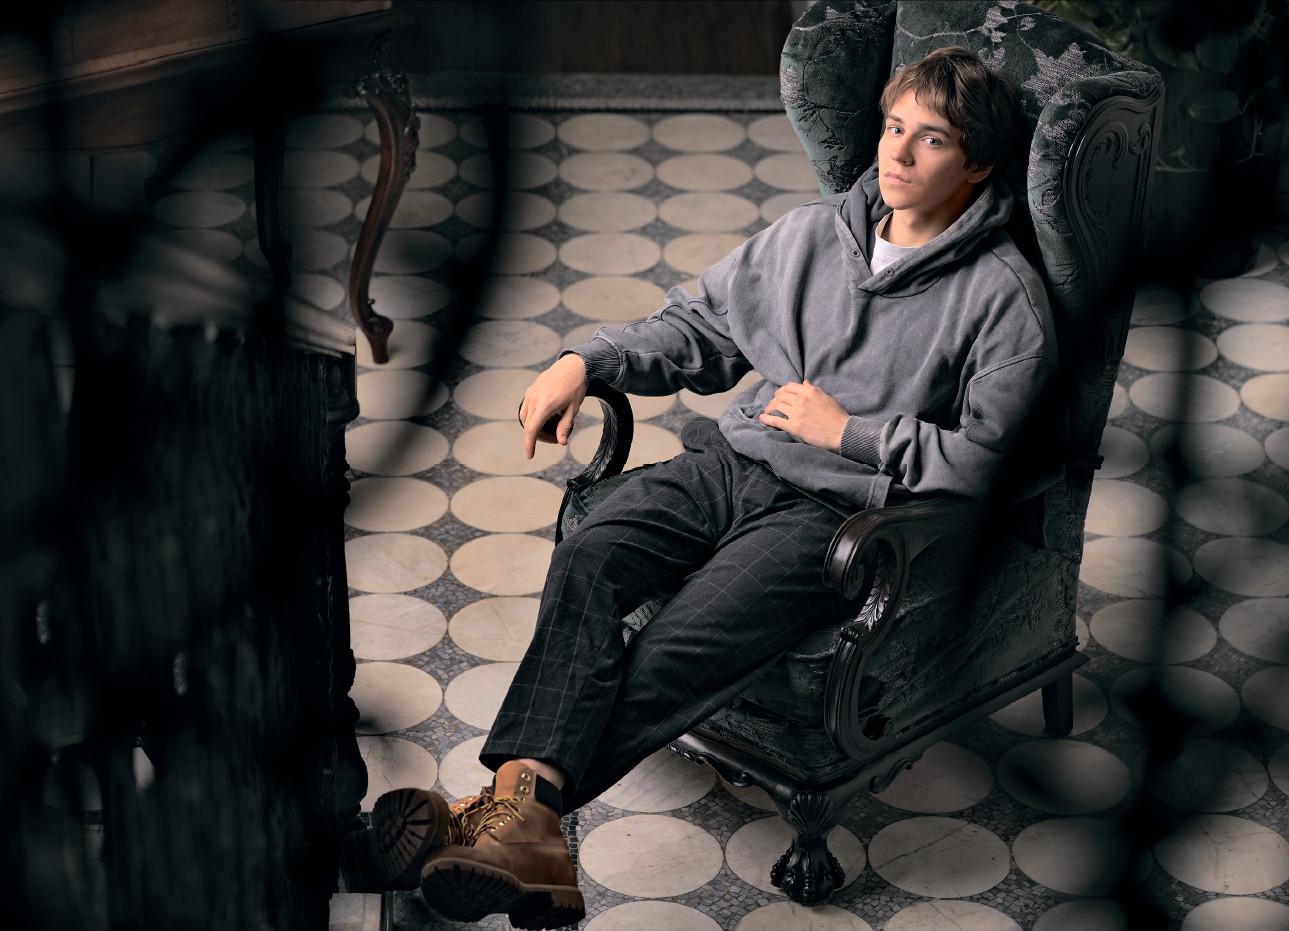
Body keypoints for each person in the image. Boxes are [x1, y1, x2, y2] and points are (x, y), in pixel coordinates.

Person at [351, 46, 1055, 929]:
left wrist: (851, 433)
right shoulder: (812, 235)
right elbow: (699, 327)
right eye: (893, 126)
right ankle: (519, 828)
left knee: (679, 642)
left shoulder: (1001, 298)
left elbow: (996, 462)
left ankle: (490, 819)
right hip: (727, 466)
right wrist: (585, 359)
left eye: (933, 140)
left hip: (830, 516)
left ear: (977, 165)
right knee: (591, 553)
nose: (898, 153)